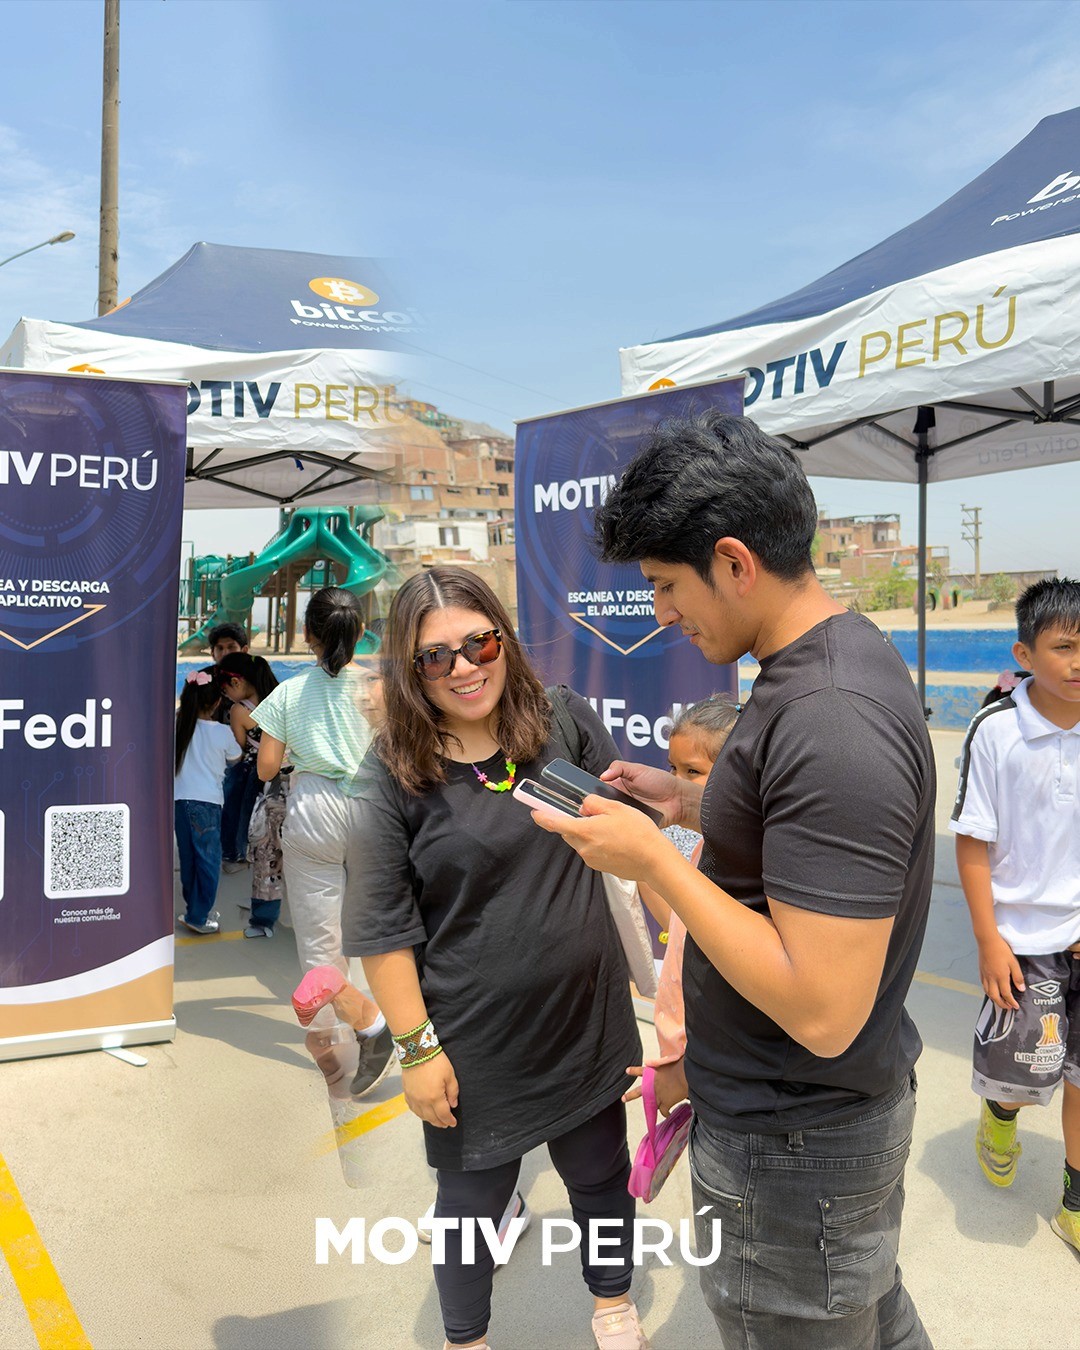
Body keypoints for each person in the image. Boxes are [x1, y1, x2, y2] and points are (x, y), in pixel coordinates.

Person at [536, 411, 935, 1350]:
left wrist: (652, 869)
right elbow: (793, 845)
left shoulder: (829, 718)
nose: (666, 614)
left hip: (793, 1148)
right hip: (806, 1134)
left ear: (733, 561)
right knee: (874, 1322)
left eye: (670, 587)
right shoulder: (820, 668)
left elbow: (825, 1006)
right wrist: (681, 804)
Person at [344, 566, 648, 1350]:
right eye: (435, 657)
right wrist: (416, 1052)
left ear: (504, 639)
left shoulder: (564, 723)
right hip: (473, 1045)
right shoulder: (389, 780)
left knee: (599, 1176)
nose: (464, 666)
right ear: (409, 675)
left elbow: (633, 845)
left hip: (586, 1019)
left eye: (479, 642)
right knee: (470, 1205)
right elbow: (381, 931)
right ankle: (466, 1337)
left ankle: (611, 1301)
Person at [950, 577, 1080, 1254]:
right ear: (1025, 653)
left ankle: (1076, 1203)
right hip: (1022, 943)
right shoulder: (995, 731)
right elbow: (974, 841)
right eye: (1064, 647)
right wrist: (987, 939)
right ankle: (1001, 1114)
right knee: (1028, 1075)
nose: (1079, 661)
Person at [251, 587, 395, 1102]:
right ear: (360, 634)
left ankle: (365, 1031)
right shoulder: (379, 690)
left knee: (321, 944)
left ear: (307, 636)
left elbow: (267, 766)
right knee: (391, 932)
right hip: (376, 810)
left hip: (313, 810)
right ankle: (421, 1031)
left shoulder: (289, 692)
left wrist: (298, 753)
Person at [627, 695, 740, 1119]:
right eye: (672, 769)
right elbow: (675, 922)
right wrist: (641, 862)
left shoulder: (734, 862)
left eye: (693, 772)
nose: (676, 781)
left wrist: (686, 1070)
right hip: (683, 1044)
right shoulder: (694, 848)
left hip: (707, 1056)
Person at [216, 652, 285, 938]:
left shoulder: (239, 710)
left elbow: (239, 748)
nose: (226, 696)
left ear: (236, 682)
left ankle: (263, 920)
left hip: (260, 780)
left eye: (225, 689)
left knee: (266, 854)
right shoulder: (280, 698)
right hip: (293, 778)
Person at [174, 668, 241, 935]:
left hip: (179, 802)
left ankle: (194, 908)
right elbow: (235, 757)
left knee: (189, 857)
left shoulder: (178, 727)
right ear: (216, 703)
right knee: (209, 860)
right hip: (207, 805)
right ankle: (199, 916)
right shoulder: (222, 733)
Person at [207, 621, 254, 872]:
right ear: (212, 652)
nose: (225, 653)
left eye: (231, 647)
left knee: (238, 797)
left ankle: (236, 850)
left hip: (246, 755)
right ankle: (222, 850)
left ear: (244, 649)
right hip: (211, 755)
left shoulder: (254, 679)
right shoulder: (204, 679)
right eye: (220, 648)